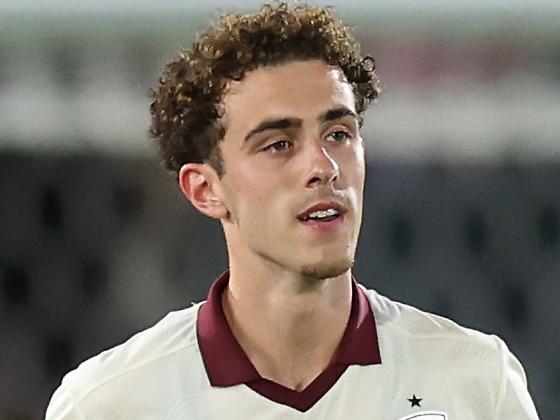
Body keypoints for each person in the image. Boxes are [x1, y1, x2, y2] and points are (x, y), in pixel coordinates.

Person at [45, 2, 539, 419]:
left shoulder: (475, 379)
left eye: (338, 135)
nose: (323, 167)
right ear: (205, 190)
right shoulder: (111, 403)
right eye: (279, 144)